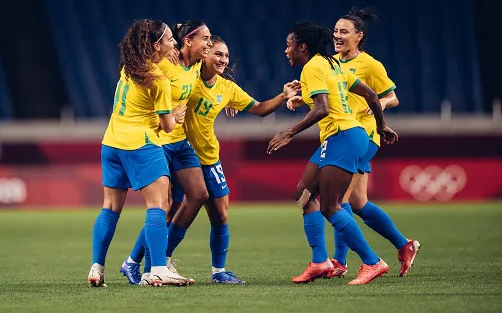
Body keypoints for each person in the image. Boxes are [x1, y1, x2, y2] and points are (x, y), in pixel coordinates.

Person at [287, 8, 420, 278]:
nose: (337, 36)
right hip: (340, 135)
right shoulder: (331, 62)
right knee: (358, 202)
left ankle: (340, 260)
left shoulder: (369, 64)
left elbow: (389, 96)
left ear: (358, 36)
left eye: (344, 31)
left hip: (362, 133)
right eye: (335, 31)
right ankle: (403, 245)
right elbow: (327, 96)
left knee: (338, 199)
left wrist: (380, 112)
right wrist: (304, 98)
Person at [267, 21, 398, 285]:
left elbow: (322, 108)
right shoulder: (332, 64)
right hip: (346, 136)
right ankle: (319, 262)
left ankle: (373, 262)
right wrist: (381, 126)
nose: (286, 50)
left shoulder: (313, 67)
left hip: (343, 137)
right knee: (304, 195)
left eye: (288, 45)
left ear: (301, 47)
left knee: (330, 205)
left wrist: (288, 133)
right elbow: (372, 95)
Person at [172, 35, 301, 283]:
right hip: (182, 154)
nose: (223, 59)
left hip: (209, 156)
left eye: (226, 55)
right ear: (205, 53)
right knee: (171, 209)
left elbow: (260, 108)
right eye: (218, 54)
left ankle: (218, 272)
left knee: (220, 215)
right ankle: (157, 262)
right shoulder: (187, 76)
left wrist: (283, 95)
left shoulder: (227, 88)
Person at [88, 19, 189, 287]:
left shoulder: (129, 67)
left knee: (110, 207)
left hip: (111, 142)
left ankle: (97, 267)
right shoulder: (159, 81)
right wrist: (177, 116)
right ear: (156, 45)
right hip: (141, 144)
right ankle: (157, 269)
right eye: (170, 40)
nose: (174, 43)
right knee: (159, 205)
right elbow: (166, 127)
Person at [121, 20, 212, 285]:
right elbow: (142, 70)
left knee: (199, 195)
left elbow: (215, 71)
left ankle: (156, 259)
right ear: (187, 41)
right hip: (159, 140)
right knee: (164, 205)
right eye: (205, 39)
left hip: (181, 142)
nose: (208, 43)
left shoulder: (195, 65)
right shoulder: (163, 63)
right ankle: (147, 265)